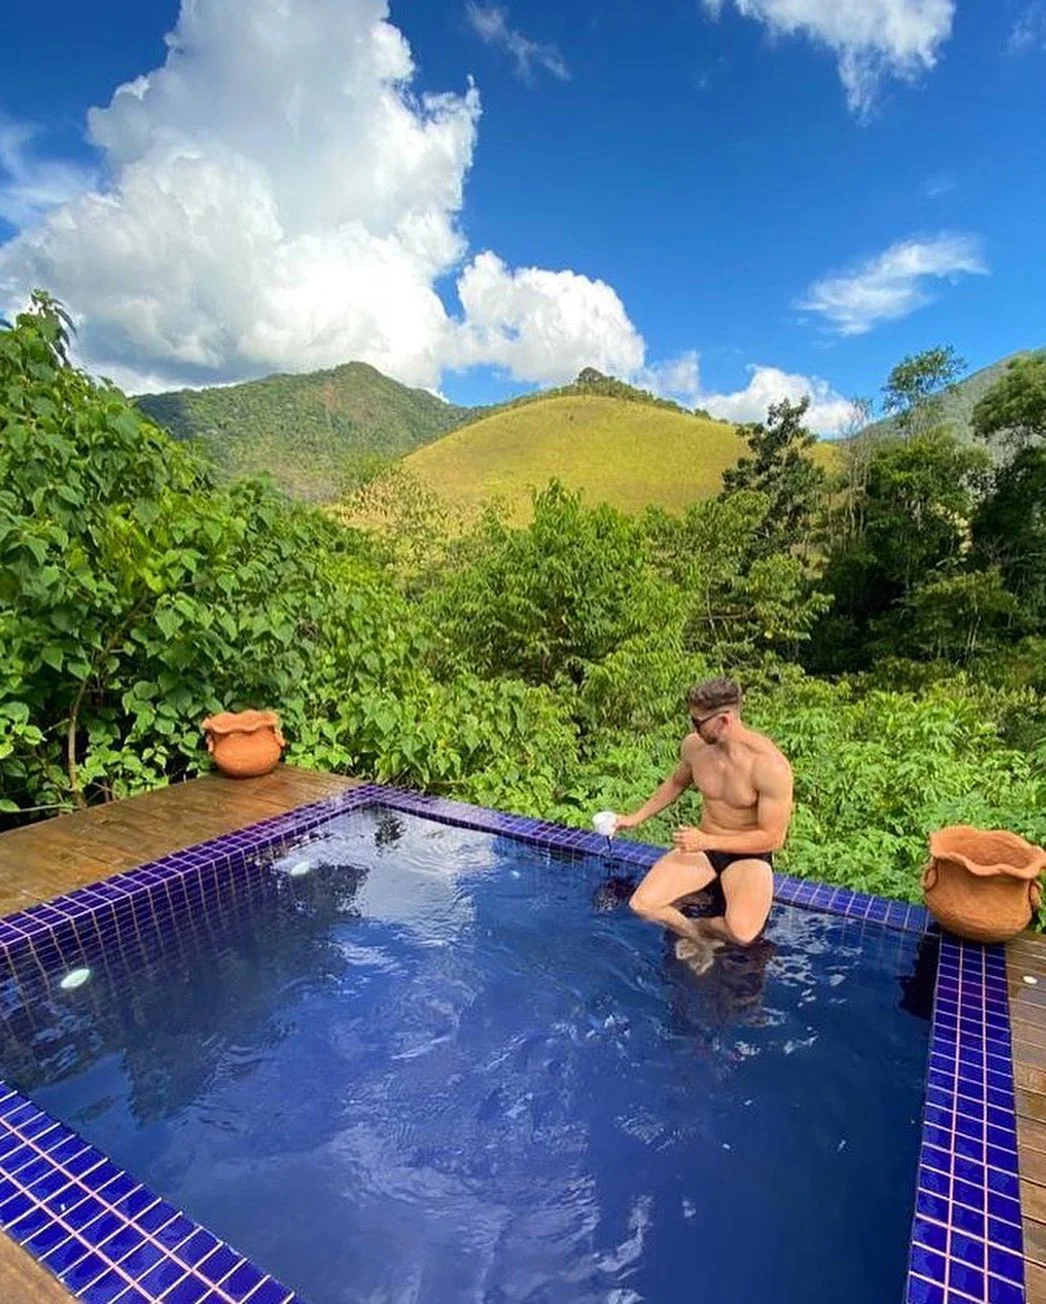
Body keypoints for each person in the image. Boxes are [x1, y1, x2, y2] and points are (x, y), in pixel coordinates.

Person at [613, 677, 793, 960]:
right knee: (643, 905)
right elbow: (675, 783)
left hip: (747, 854)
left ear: (724, 720)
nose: (693, 729)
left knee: (742, 934)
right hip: (705, 847)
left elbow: (773, 838)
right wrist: (634, 818)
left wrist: (707, 841)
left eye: (698, 722)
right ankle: (698, 940)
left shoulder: (769, 766)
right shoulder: (695, 747)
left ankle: (701, 927)